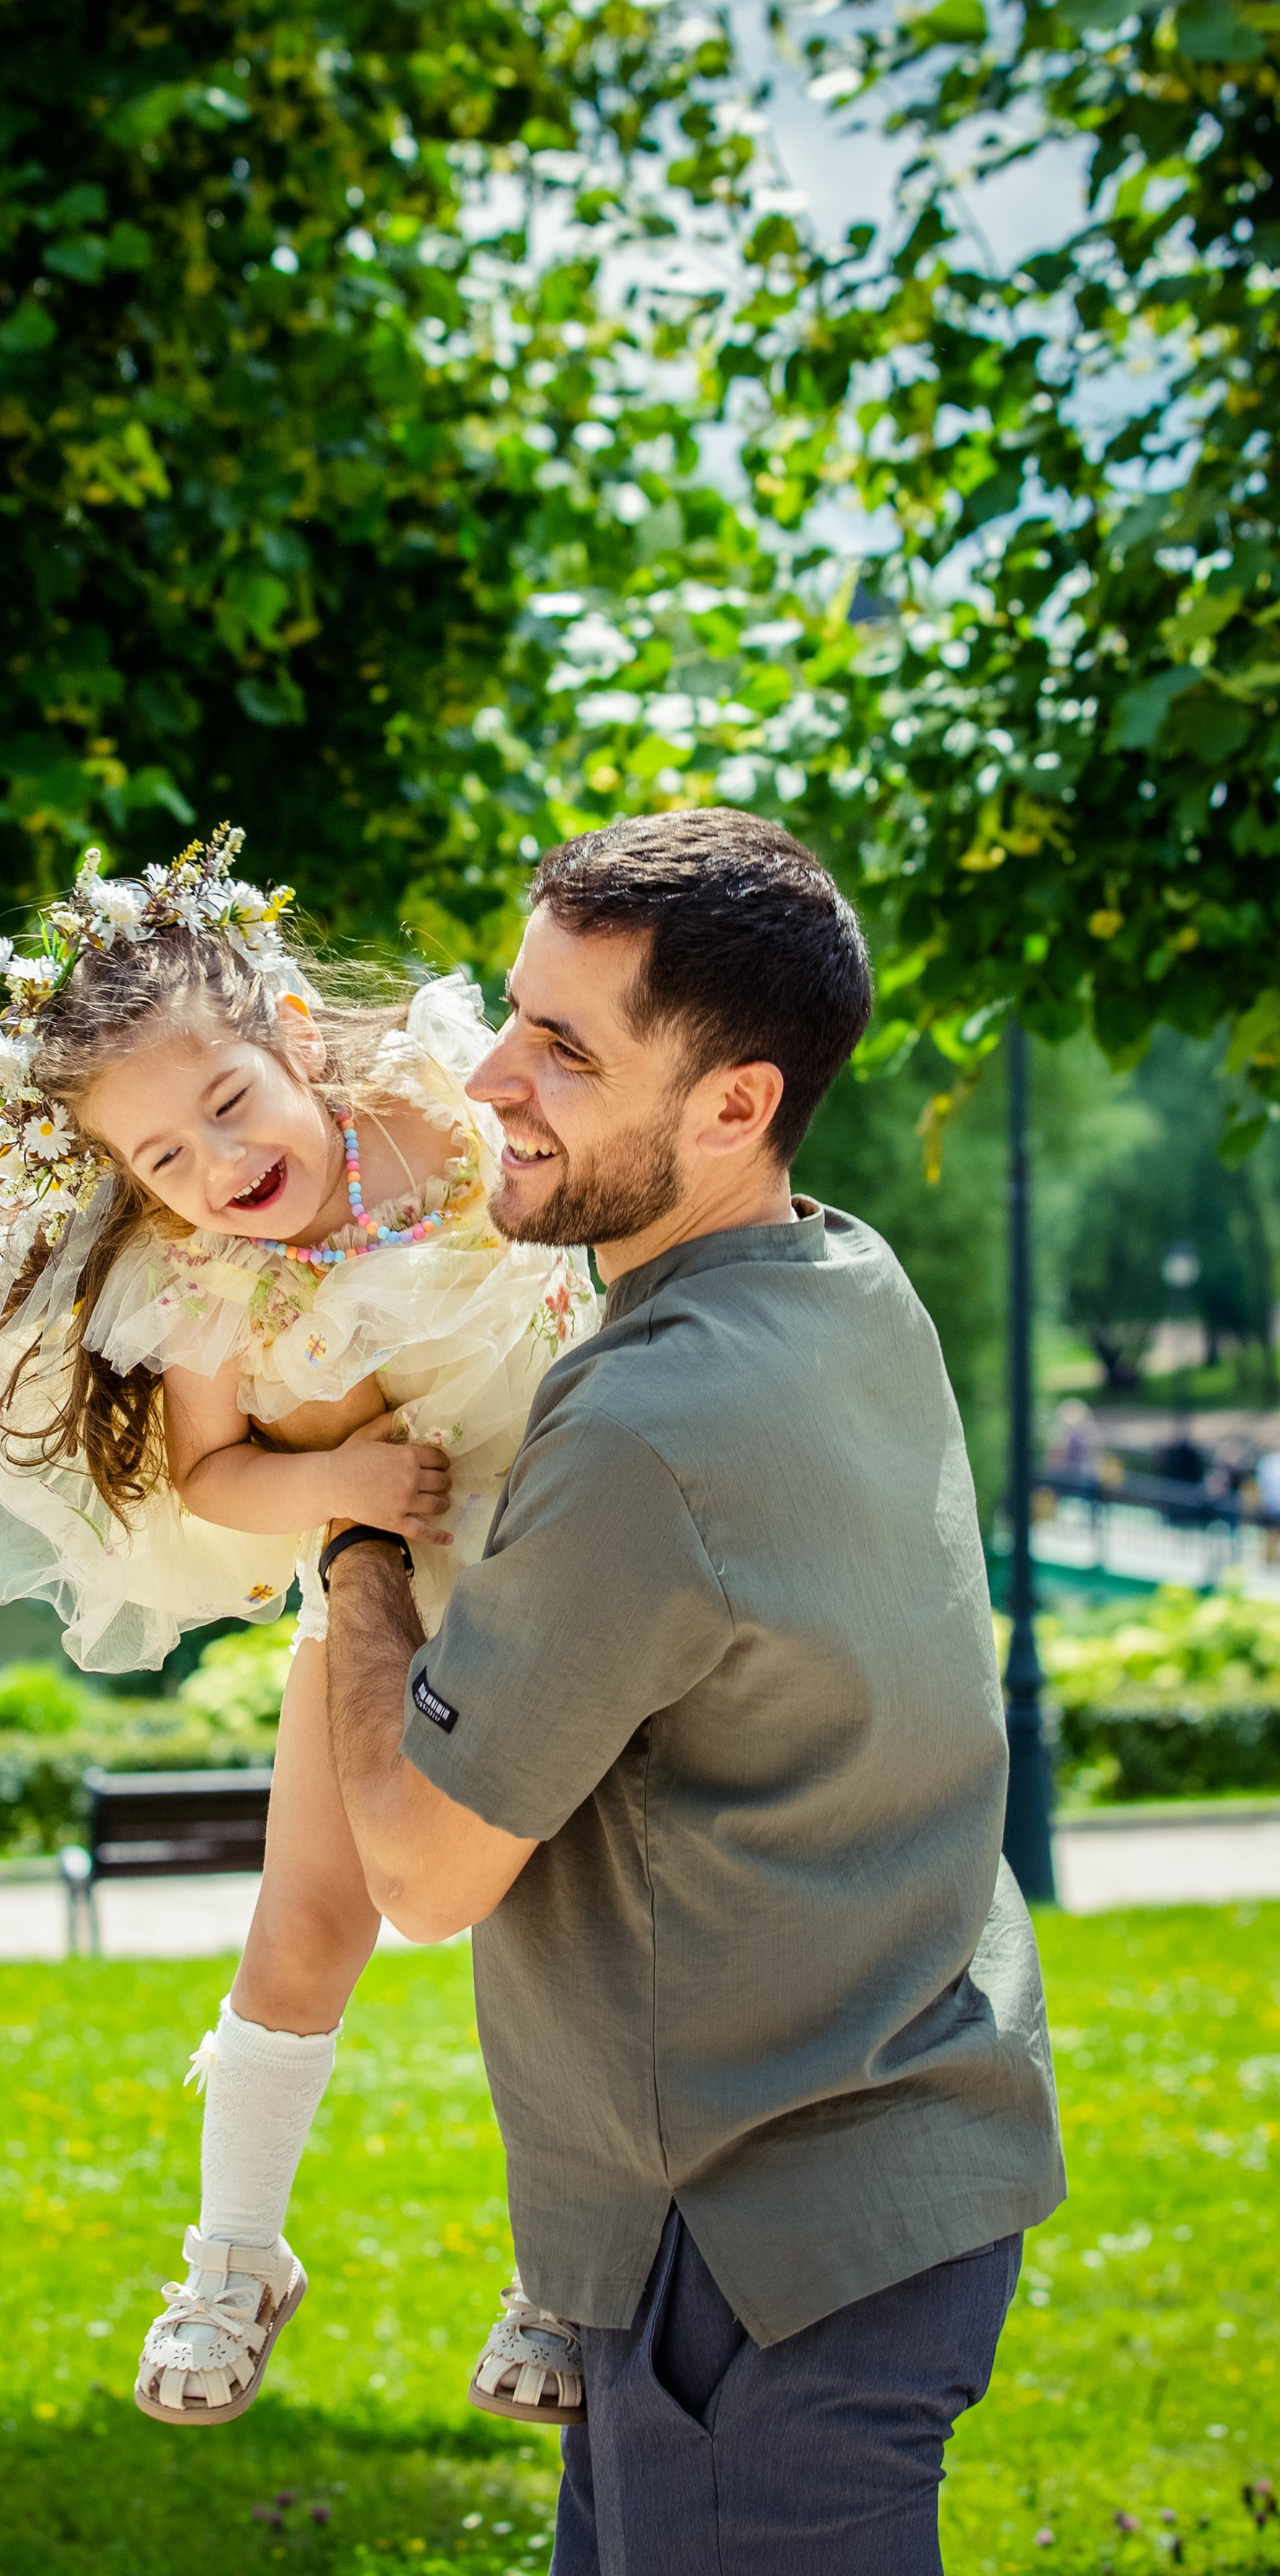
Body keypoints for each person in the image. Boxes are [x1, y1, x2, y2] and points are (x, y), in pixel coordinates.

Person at [321, 809, 1066, 2575]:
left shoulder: (650, 1427)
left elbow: (424, 1874)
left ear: (734, 1103)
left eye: (564, 1048)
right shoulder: (842, 1277)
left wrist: (350, 1558)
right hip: (892, 2175)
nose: (491, 1073)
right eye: (515, 1012)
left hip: (752, 2252)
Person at [0, 827, 597, 2427]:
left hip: (564, 1570)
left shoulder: (441, 1110)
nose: (213, 1167)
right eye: (162, 1160)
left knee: (560, 1931)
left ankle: (567, 2277)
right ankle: (233, 2257)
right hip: (388, 1580)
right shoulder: (197, 1282)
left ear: (297, 1041)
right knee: (304, 1923)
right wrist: (347, 1476)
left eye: (228, 1104)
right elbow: (214, 1473)